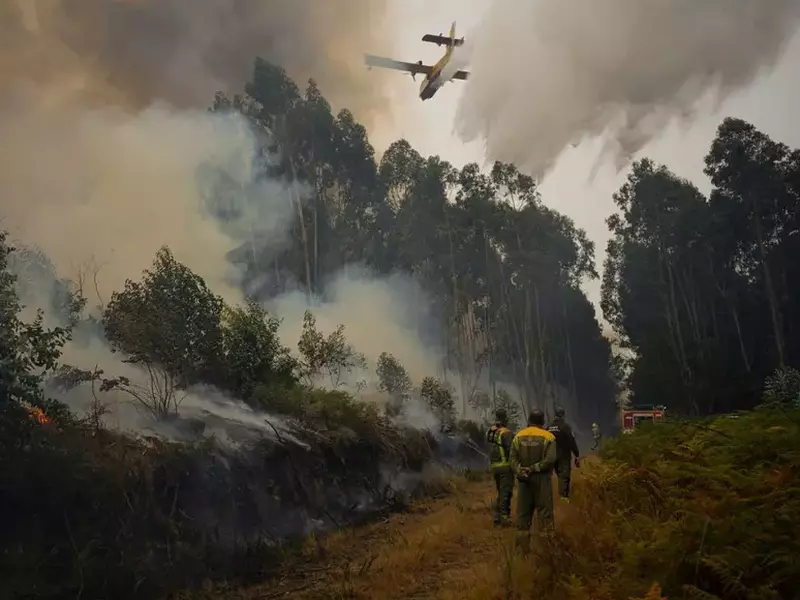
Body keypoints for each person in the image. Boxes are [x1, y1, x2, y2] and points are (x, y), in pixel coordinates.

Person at [509, 409, 557, 551]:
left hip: (524, 480)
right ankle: (547, 552)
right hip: (541, 480)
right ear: (542, 422)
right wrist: (534, 468)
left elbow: (512, 459)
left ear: (529, 421)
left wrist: (520, 470)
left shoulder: (518, 436)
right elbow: (551, 459)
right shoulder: (549, 437)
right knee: (545, 515)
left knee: (523, 517)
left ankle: (521, 553)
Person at [485, 408, 514, 526]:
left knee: (500, 491)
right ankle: (504, 516)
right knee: (506, 492)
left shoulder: (491, 431)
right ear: (505, 419)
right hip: (505, 466)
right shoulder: (506, 433)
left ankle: (497, 516)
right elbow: (511, 450)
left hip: (495, 466)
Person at [547, 407, 580, 502]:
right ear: (563, 415)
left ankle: (546, 497)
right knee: (564, 476)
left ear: (555, 415)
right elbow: (571, 441)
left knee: (547, 476)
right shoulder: (566, 427)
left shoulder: (549, 427)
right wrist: (576, 454)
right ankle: (563, 498)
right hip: (563, 456)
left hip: (550, 456)